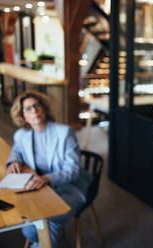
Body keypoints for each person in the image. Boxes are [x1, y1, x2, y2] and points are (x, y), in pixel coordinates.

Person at [6, 90, 91, 247]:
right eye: (28, 109)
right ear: (22, 116)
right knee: (30, 229)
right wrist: (13, 161)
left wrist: (46, 178)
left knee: (46, 223)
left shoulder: (64, 133)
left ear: (43, 108)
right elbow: (16, 150)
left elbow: (73, 170)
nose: (34, 111)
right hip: (41, 189)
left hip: (69, 187)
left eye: (37, 106)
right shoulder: (21, 135)